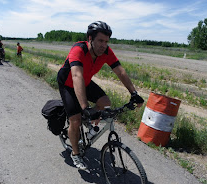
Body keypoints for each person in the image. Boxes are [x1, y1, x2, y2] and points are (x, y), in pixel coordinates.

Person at [57, 21, 144, 170]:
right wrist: (85, 107)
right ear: (90, 39)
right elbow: (77, 75)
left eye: (106, 41)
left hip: (84, 82)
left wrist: (134, 93)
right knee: (75, 119)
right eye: (100, 41)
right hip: (68, 84)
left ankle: (87, 118)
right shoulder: (79, 49)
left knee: (105, 101)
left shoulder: (106, 52)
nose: (104, 45)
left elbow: (120, 72)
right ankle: (76, 154)